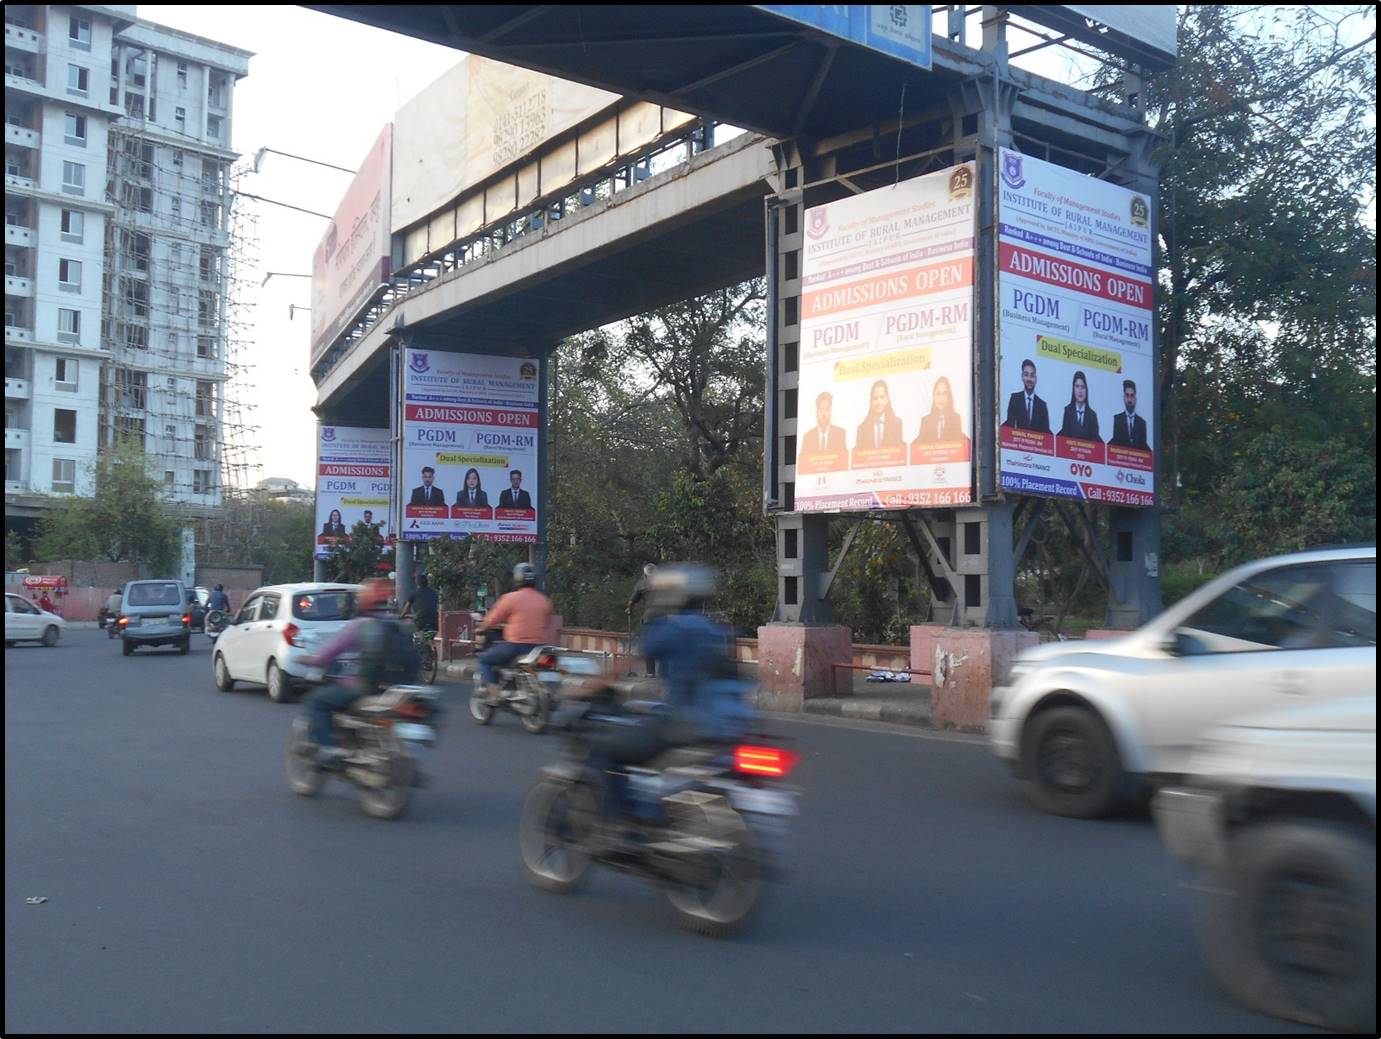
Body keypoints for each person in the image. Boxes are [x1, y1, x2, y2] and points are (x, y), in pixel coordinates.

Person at [576, 564, 756, 822]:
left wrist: (585, 687)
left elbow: (626, 663)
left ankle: (624, 824)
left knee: (607, 750)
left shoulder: (673, 629)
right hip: (732, 726)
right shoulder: (722, 632)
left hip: (686, 722)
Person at [298, 578, 417, 763]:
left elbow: (328, 655)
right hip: (397, 690)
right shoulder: (398, 625)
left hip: (363, 688)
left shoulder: (360, 626)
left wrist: (308, 659)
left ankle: (330, 750)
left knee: (316, 701)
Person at [477, 562, 553, 705]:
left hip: (516, 646)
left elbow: (492, 620)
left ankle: (494, 696)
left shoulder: (511, 598)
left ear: (517, 579)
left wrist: (481, 628)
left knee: (485, 660)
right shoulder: (544, 600)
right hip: (539, 648)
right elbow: (547, 624)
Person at [625, 563, 659, 676]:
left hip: (649, 618)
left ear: (645, 574)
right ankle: (666, 672)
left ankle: (650, 672)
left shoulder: (642, 584)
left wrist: (629, 609)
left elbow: (632, 601)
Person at [1003, 359, 1052, 433]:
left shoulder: (1042, 405)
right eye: (1026, 375)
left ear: (1036, 379)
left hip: (1036, 443)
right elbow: (1009, 425)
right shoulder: (1015, 399)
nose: (1029, 379)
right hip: (1017, 443)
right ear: (1022, 377)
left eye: (1032, 375)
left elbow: (1046, 433)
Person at [854, 380, 904, 452]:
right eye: (875, 398)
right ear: (871, 402)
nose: (878, 402)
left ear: (887, 400)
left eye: (882, 397)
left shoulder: (897, 424)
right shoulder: (862, 428)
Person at [914, 376, 967, 444]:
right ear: (934, 396)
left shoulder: (955, 419)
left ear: (949, 397)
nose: (941, 398)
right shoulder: (926, 421)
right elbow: (919, 444)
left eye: (944, 394)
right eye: (938, 394)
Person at [796, 391, 847, 462]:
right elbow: (803, 462)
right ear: (816, 412)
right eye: (821, 410)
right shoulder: (808, 437)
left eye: (826, 409)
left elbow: (843, 460)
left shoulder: (840, 433)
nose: (823, 414)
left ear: (831, 411)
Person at [1058, 370, 1101, 441]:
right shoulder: (1068, 411)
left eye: (1083, 387)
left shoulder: (1092, 415)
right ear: (1073, 389)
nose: (1080, 391)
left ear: (1086, 389)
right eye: (1077, 386)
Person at [1109, 379, 1149, 450]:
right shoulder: (1117, 419)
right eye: (1127, 395)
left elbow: (1144, 447)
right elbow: (1115, 442)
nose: (1129, 400)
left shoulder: (1142, 423)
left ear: (1135, 399)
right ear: (1123, 398)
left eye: (1132, 396)